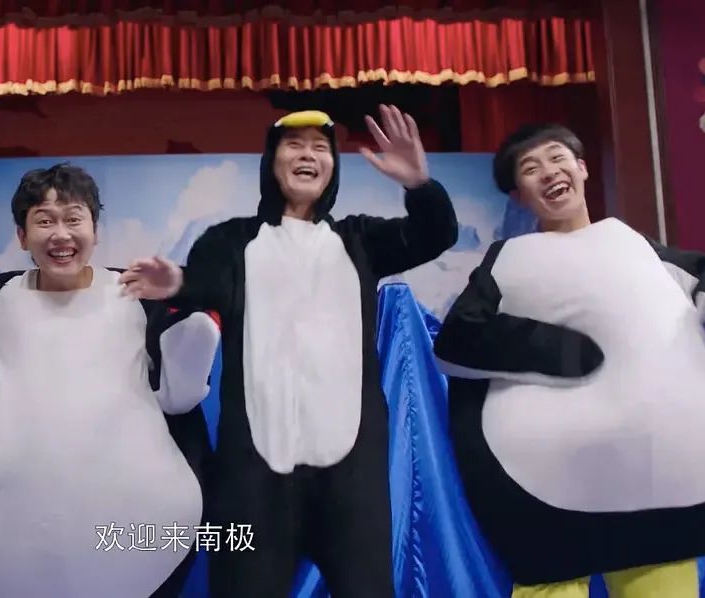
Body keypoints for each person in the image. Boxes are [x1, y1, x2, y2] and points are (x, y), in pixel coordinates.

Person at [118, 105, 459, 597]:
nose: (308, 155)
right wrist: (177, 283)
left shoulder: (361, 240)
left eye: (320, 148)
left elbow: (435, 235)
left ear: (333, 166)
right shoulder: (229, 241)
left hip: (351, 475)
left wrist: (419, 185)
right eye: (294, 145)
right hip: (253, 478)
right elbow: (206, 286)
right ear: (271, 161)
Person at [0, 162, 221, 598]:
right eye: (44, 221)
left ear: (95, 231)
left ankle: (189, 363)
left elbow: (166, 393)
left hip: (131, 513)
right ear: (22, 236)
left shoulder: (131, 292)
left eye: (74, 219)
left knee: (177, 392)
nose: (61, 234)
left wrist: (184, 370)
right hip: (8, 524)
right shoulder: (2, 293)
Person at [433, 123, 705, 598]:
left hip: (658, 487)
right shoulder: (508, 259)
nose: (548, 172)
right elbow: (457, 340)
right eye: (530, 168)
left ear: (582, 168)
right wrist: (560, 350)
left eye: (557, 157)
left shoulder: (639, 247)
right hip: (548, 490)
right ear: (518, 195)